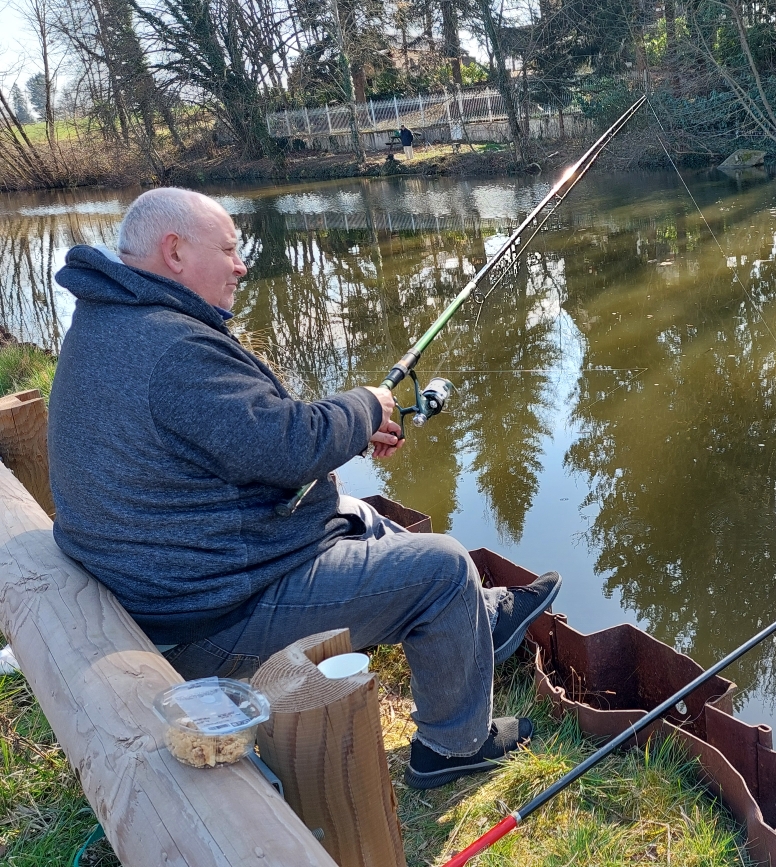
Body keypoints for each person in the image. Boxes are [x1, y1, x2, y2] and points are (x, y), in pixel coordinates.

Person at [47, 187, 561, 789]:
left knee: (353, 511)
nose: (241, 265)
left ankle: (478, 625)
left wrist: (348, 432)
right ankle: (453, 747)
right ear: (175, 251)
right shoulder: (173, 347)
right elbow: (286, 446)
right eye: (229, 250)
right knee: (442, 567)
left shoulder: (111, 319)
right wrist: (365, 407)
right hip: (207, 622)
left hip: (170, 581)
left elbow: (242, 435)